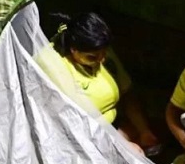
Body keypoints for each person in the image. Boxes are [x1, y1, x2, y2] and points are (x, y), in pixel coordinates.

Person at [51, 13, 160, 155]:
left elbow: (127, 94)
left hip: (112, 126)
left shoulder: (101, 56)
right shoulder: (57, 69)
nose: (101, 60)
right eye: (92, 57)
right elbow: (68, 127)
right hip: (83, 140)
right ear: (73, 50)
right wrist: (121, 146)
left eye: (104, 53)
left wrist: (144, 131)